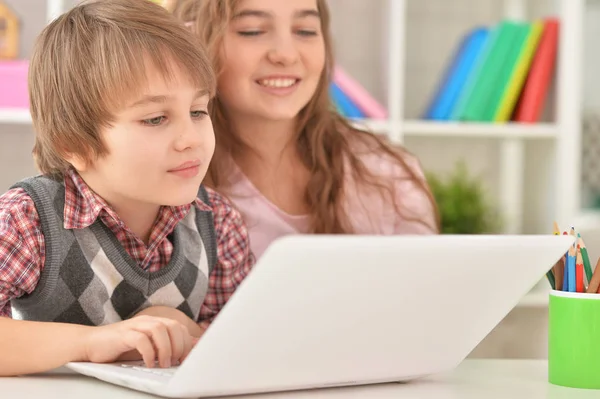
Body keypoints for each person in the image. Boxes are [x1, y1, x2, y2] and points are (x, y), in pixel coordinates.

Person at [0, 0, 254, 376]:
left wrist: (187, 330)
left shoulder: (217, 223)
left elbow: (244, 347)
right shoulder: (26, 220)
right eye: (155, 118)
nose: (191, 139)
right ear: (75, 144)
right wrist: (93, 343)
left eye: (198, 111)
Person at [175, 0, 440, 259]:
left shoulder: (386, 177)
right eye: (252, 30)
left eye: (305, 31)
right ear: (193, 42)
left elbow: (426, 291)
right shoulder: (172, 181)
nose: (286, 55)